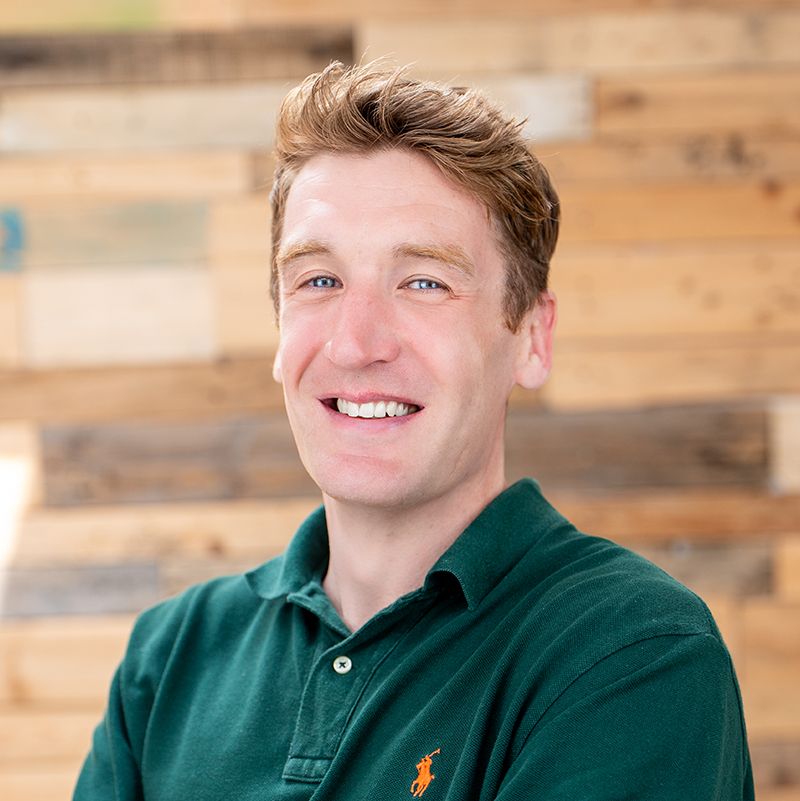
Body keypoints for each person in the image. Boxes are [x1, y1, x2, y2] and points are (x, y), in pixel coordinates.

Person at [74, 61, 754, 800]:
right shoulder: (172, 657)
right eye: (319, 280)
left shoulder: (630, 652)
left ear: (530, 335)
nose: (355, 342)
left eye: (423, 281)